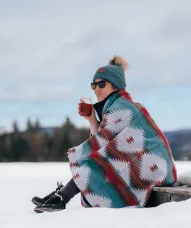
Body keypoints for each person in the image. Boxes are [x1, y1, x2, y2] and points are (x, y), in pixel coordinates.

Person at [32, 55, 177, 213]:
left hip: (154, 168)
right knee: (97, 161)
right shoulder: (114, 107)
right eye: (94, 85)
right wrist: (92, 121)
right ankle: (61, 196)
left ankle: (62, 197)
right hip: (147, 164)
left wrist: (79, 152)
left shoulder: (122, 108)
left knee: (96, 164)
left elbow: (99, 145)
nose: (96, 89)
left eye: (102, 84)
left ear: (115, 86)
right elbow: (102, 143)